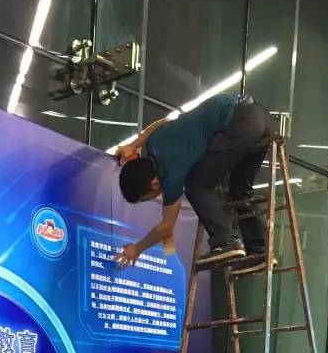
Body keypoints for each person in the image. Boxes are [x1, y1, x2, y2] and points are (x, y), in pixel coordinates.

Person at [114, 93, 277, 268]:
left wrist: (137, 248)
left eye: (147, 198)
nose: (156, 198)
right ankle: (260, 250)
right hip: (259, 117)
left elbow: (166, 226)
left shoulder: (172, 176)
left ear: (153, 184)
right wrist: (134, 144)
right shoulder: (154, 141)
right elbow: (163, 123)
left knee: (196, 186)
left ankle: (227, 241)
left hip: (238, 122)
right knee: (239, 191)